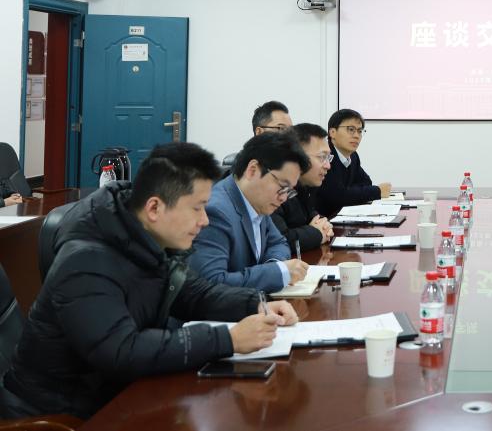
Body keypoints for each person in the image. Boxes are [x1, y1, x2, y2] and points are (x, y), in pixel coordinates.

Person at [0, 142, 297, 420]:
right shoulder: (86, 261)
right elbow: (122, 351)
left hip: (116, 395)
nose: (205, 220)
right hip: (60, 415)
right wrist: (228, 340)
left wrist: (255, 304)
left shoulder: (147, 237)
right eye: (197, 208)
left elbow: (193, 293)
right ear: (155, 208)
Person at [190, 132, 310, 292]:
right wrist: (277, 273)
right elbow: (211, 284)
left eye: (289, 191)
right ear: (252, 170)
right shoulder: (216, 212)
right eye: (282, 187)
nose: (283, 198)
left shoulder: (256, 201)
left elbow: (278, 242)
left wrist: (273, 265)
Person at [271, 122, 334, 251]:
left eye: (328, 157)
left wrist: (325, 226)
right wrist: (316, 234)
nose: (328, 166)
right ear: (297, 156)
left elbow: (314, 217)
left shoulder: (304, 185)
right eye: (322, 157)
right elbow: (279, 240)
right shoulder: (272, 187)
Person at [316, 109, 391, 216]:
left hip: (341, 216)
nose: (356, 135)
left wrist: (348, 192)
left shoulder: (353, 156)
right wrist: (377, 191)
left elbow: (366, 182)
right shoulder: (325, 157)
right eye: (351, 129)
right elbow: (338, 196)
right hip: (322, 220)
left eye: (360, 131)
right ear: (332, 132)